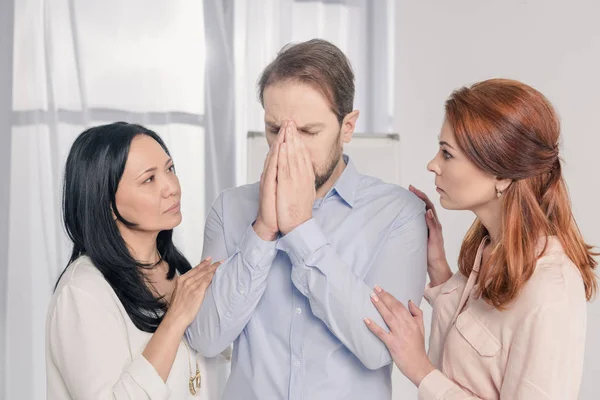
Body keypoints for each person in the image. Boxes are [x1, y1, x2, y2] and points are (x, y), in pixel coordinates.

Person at [185, 39, 428, 399]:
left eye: (308, 132)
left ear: (348, 127)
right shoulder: (231, 207)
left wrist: (301, 230)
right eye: (273, 129)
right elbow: (206, 339)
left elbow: (380, 348)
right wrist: (263, 231)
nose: (286, 146)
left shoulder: (399, 214)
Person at [365, 79, 598, 399]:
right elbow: (467, 358)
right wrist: (439, 270)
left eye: (447, 154)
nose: (432, 164)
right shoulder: (488, 250)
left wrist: (420, 371)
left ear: (501, 176)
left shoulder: (551, 291)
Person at [46, 122, 229, 399]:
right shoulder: (83, 292)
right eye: (149, 179)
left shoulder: (179, 271)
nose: (171, 188)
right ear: (106, 202)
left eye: (170, 169)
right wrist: (176, 318)